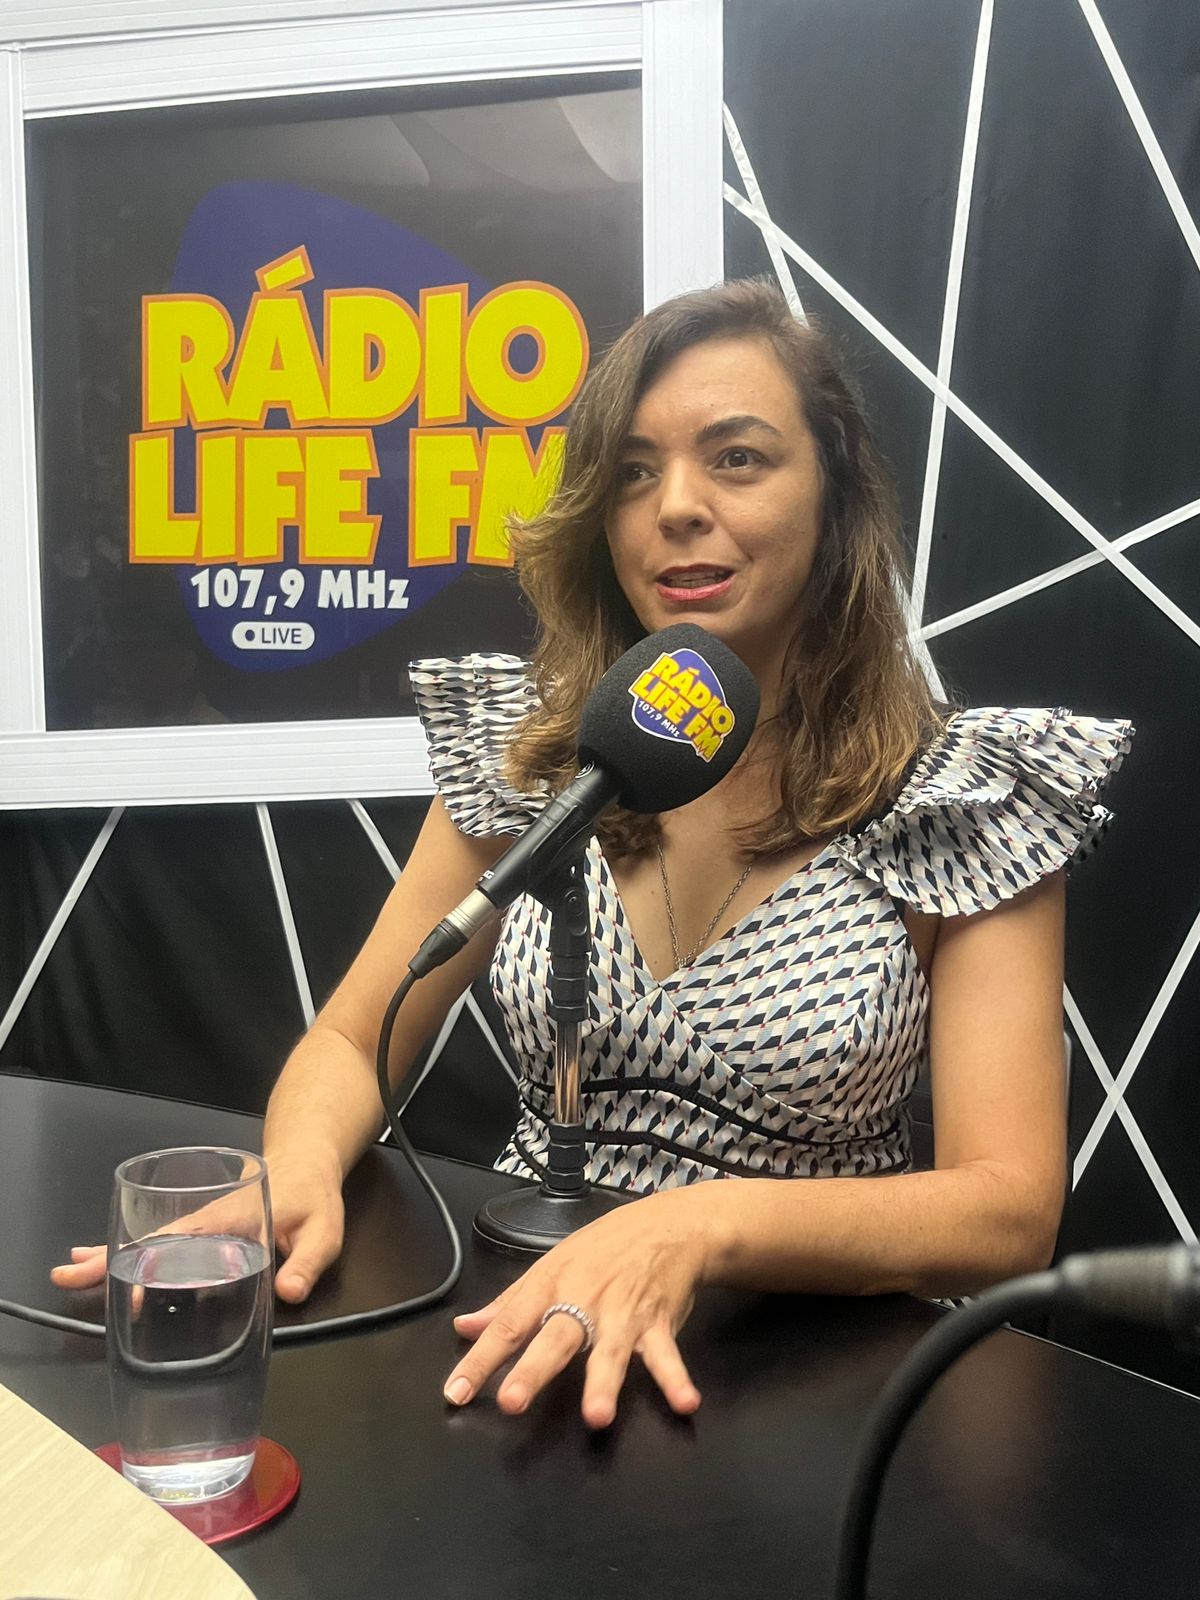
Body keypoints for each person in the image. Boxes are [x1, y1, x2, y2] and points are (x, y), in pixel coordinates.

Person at [54, 279, 1131, 1430]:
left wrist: (698, 1225)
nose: (677, 506)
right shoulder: (539, 751)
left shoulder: (958, 791)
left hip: (808, 1372)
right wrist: (301, 1162)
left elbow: (1007, 1208)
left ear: (835, 496)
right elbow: (353, 1038)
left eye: (738, 458)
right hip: (522, 1320)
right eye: (632, 470)